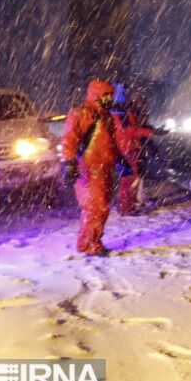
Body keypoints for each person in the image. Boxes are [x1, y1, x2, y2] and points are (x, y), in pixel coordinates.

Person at [61, 79, 122, 256]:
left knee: (100, 207)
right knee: (96, 207)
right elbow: (69, 139)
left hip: (103, 169)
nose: (110, 98)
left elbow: (109, 143)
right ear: (97, 94)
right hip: (89, 168)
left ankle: (87, 242)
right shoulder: (83, 113)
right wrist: (70, 162)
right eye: (106, 95)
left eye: (111, 95)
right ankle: (91, 245)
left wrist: (119, 159)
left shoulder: (105, 116)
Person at [113, 95, 160, 216]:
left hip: (129, 148)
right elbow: (130, 130)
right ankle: (126, 208)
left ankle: (130, 205)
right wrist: (151, 132)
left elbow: (136, 127)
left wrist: (150, 131)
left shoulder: (123, 113)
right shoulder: (120, 114)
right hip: (126, 149)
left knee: (133, 178)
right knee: (129, 180)